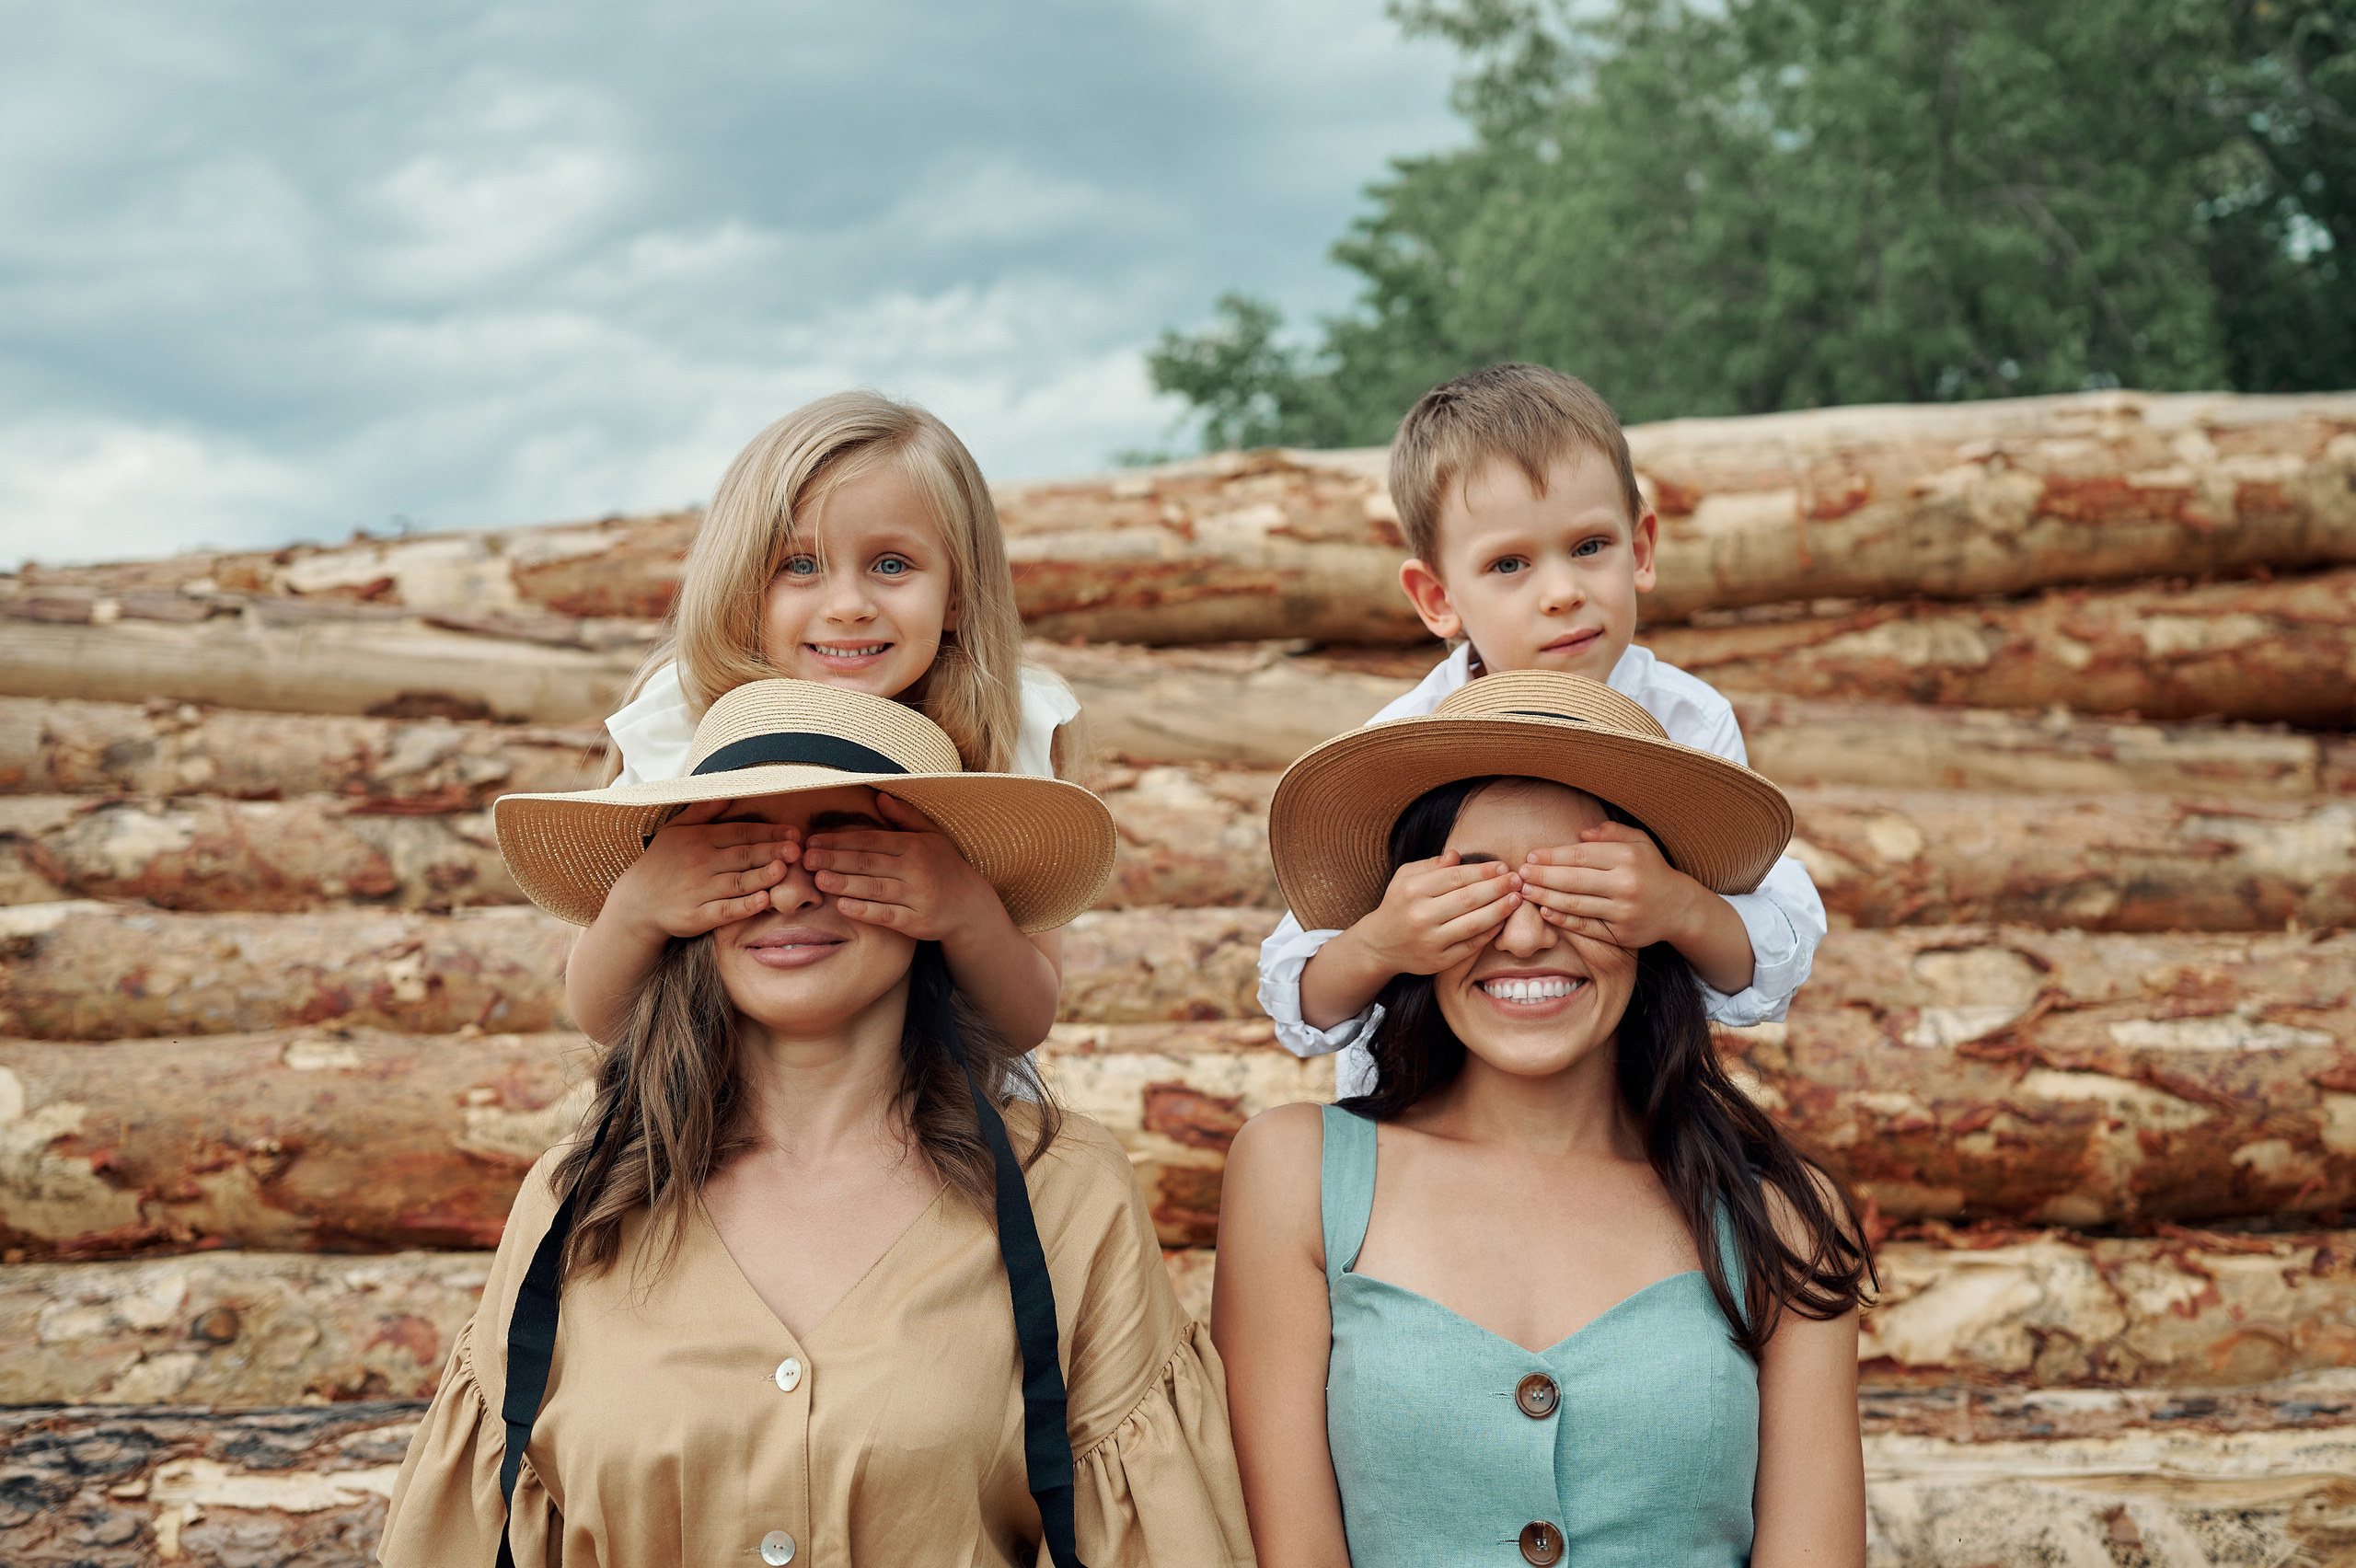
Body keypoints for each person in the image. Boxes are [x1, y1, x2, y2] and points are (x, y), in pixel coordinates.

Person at [382, 679, 1253, 1567]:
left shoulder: (1064, 1191)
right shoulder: (579, 1199)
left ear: (937, 893)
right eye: (742, 853)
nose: (791, 894)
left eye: (848, 849)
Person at [1215, 671, 1872, 1567]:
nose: (1524, 938)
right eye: (1475, 892)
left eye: (1580, 886)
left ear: (1655, 915)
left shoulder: (1784, 1223)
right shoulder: (1294, 1175)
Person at [1257, 363, 1827, 1099]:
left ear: (1642, 548)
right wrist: (1381, 942)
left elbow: (1771, 959)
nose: (1563, 593)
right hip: (1427, 1114)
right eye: (1509, 564)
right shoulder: (1404, 744)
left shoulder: (1685, 723)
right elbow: (1302, 1005)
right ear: (1437, 598)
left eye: (1591, 546)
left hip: (1623, 1106)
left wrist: (1679, 906)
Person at [571, 390, 1081, 1058]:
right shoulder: (687, 723)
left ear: (957, 594)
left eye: (891, 565)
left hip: (945, 1109)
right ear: (743, 585)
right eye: (800, 565)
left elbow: (1025, 1023)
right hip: (718, 1100)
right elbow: (597, 1015)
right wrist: (640, 907)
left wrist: (965, 910)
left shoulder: (1001, 726)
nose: (847, 607)